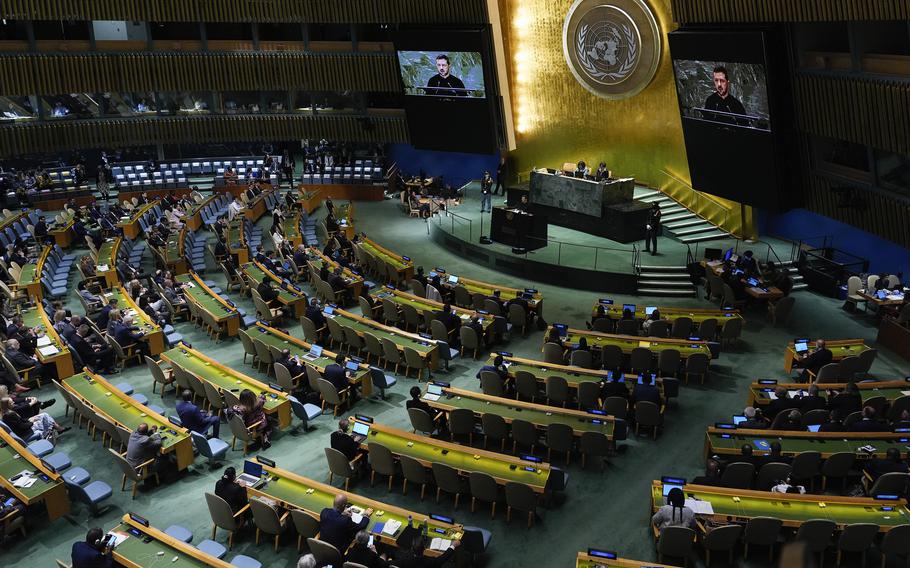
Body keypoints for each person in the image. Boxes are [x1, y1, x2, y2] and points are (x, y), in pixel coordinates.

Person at [0, 396, 67, 440]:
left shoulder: (7, 412)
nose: (14, 403)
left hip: (24, 428)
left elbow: (21, 421)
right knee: (42, 419)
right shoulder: (10, 414)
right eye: (11, 403)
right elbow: (22, 426)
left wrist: (29, 419)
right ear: (7, 405)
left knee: (44, 415)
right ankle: (48, 435)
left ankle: (52, 432)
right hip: (26, 433)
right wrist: (31, 422)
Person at [394, 534, 460, 568]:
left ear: (412, 548)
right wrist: (453, 545)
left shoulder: (404, 559)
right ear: (424, 548)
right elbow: (443, 558)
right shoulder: (430, 561)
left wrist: (383, 557)